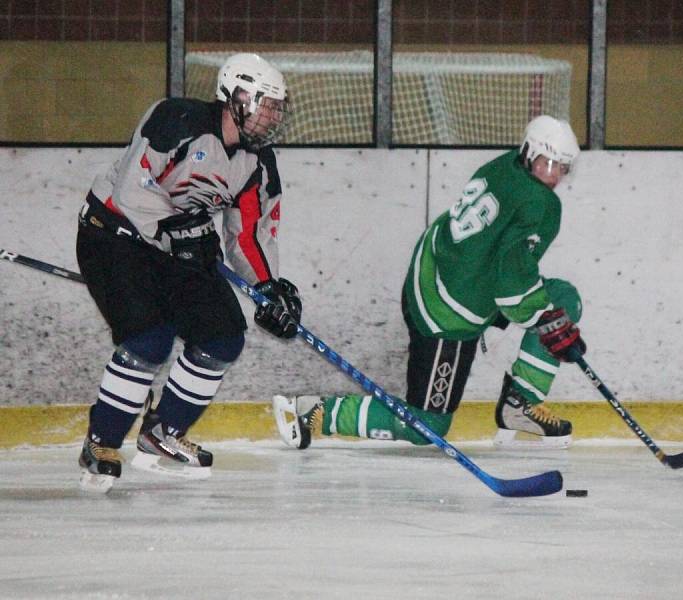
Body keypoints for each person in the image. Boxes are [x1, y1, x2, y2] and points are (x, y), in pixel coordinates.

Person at [273, 115, 585, 451]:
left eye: (561, 167)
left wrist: (546, 316)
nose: (553, 175)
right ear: (529, 152)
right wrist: (548, 323)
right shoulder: (542, 205)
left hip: (442, 272)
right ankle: (313, 412)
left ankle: (518, 406)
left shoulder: (505, 165)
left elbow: (507, 268)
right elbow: (511, 286)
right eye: (547, 163)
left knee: (561, 299)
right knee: (427, 426)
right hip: (446, 311)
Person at [76, 53, 302, 492]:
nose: (274, 115)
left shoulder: (258, 163)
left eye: (278, 106)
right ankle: (101, 441)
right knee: (149, 338)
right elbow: (131, 188)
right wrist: (178, 231)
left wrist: (267, 287)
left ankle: (163, 432)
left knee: (222, 336)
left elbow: (249, 234)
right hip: (114, 236)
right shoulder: (175, 119)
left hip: (178, 248)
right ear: (236, 97)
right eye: (267, 103)